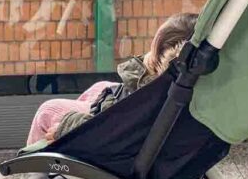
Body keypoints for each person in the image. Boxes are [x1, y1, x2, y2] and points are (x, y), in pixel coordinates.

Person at [26, 12, 199, 145]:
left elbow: (118, 131)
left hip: (117, 141)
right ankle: (69, 143)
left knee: (48, 111)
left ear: (163, 52)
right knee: (101, 87)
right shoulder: (194, 88)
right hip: (136, 127)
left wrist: (69, 127)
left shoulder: (162, 90)